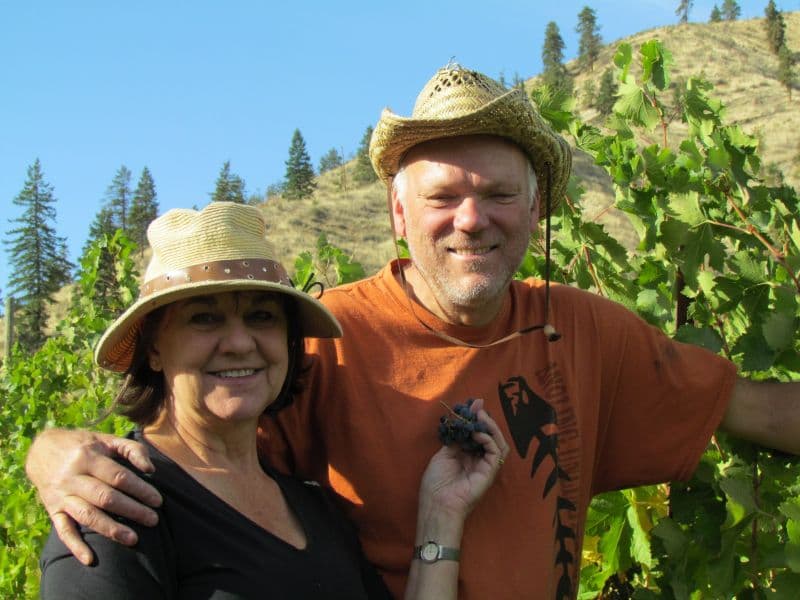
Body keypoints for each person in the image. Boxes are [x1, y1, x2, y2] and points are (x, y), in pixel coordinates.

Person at [27, 65, 800, 599]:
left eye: (499, 193)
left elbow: (751, 406)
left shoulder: (587, 330)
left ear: (537, 212)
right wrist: (53, 452)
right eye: (443, 197)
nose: (472, 219)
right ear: (399, 214)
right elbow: (186, 447)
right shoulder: (321, 343)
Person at [36, 201, 509, 600]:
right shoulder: (115, 504)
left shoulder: (312, 505)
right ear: (154, 348)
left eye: (262, 317)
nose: (240, 342)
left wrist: (441, 515)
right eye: (204, 319)